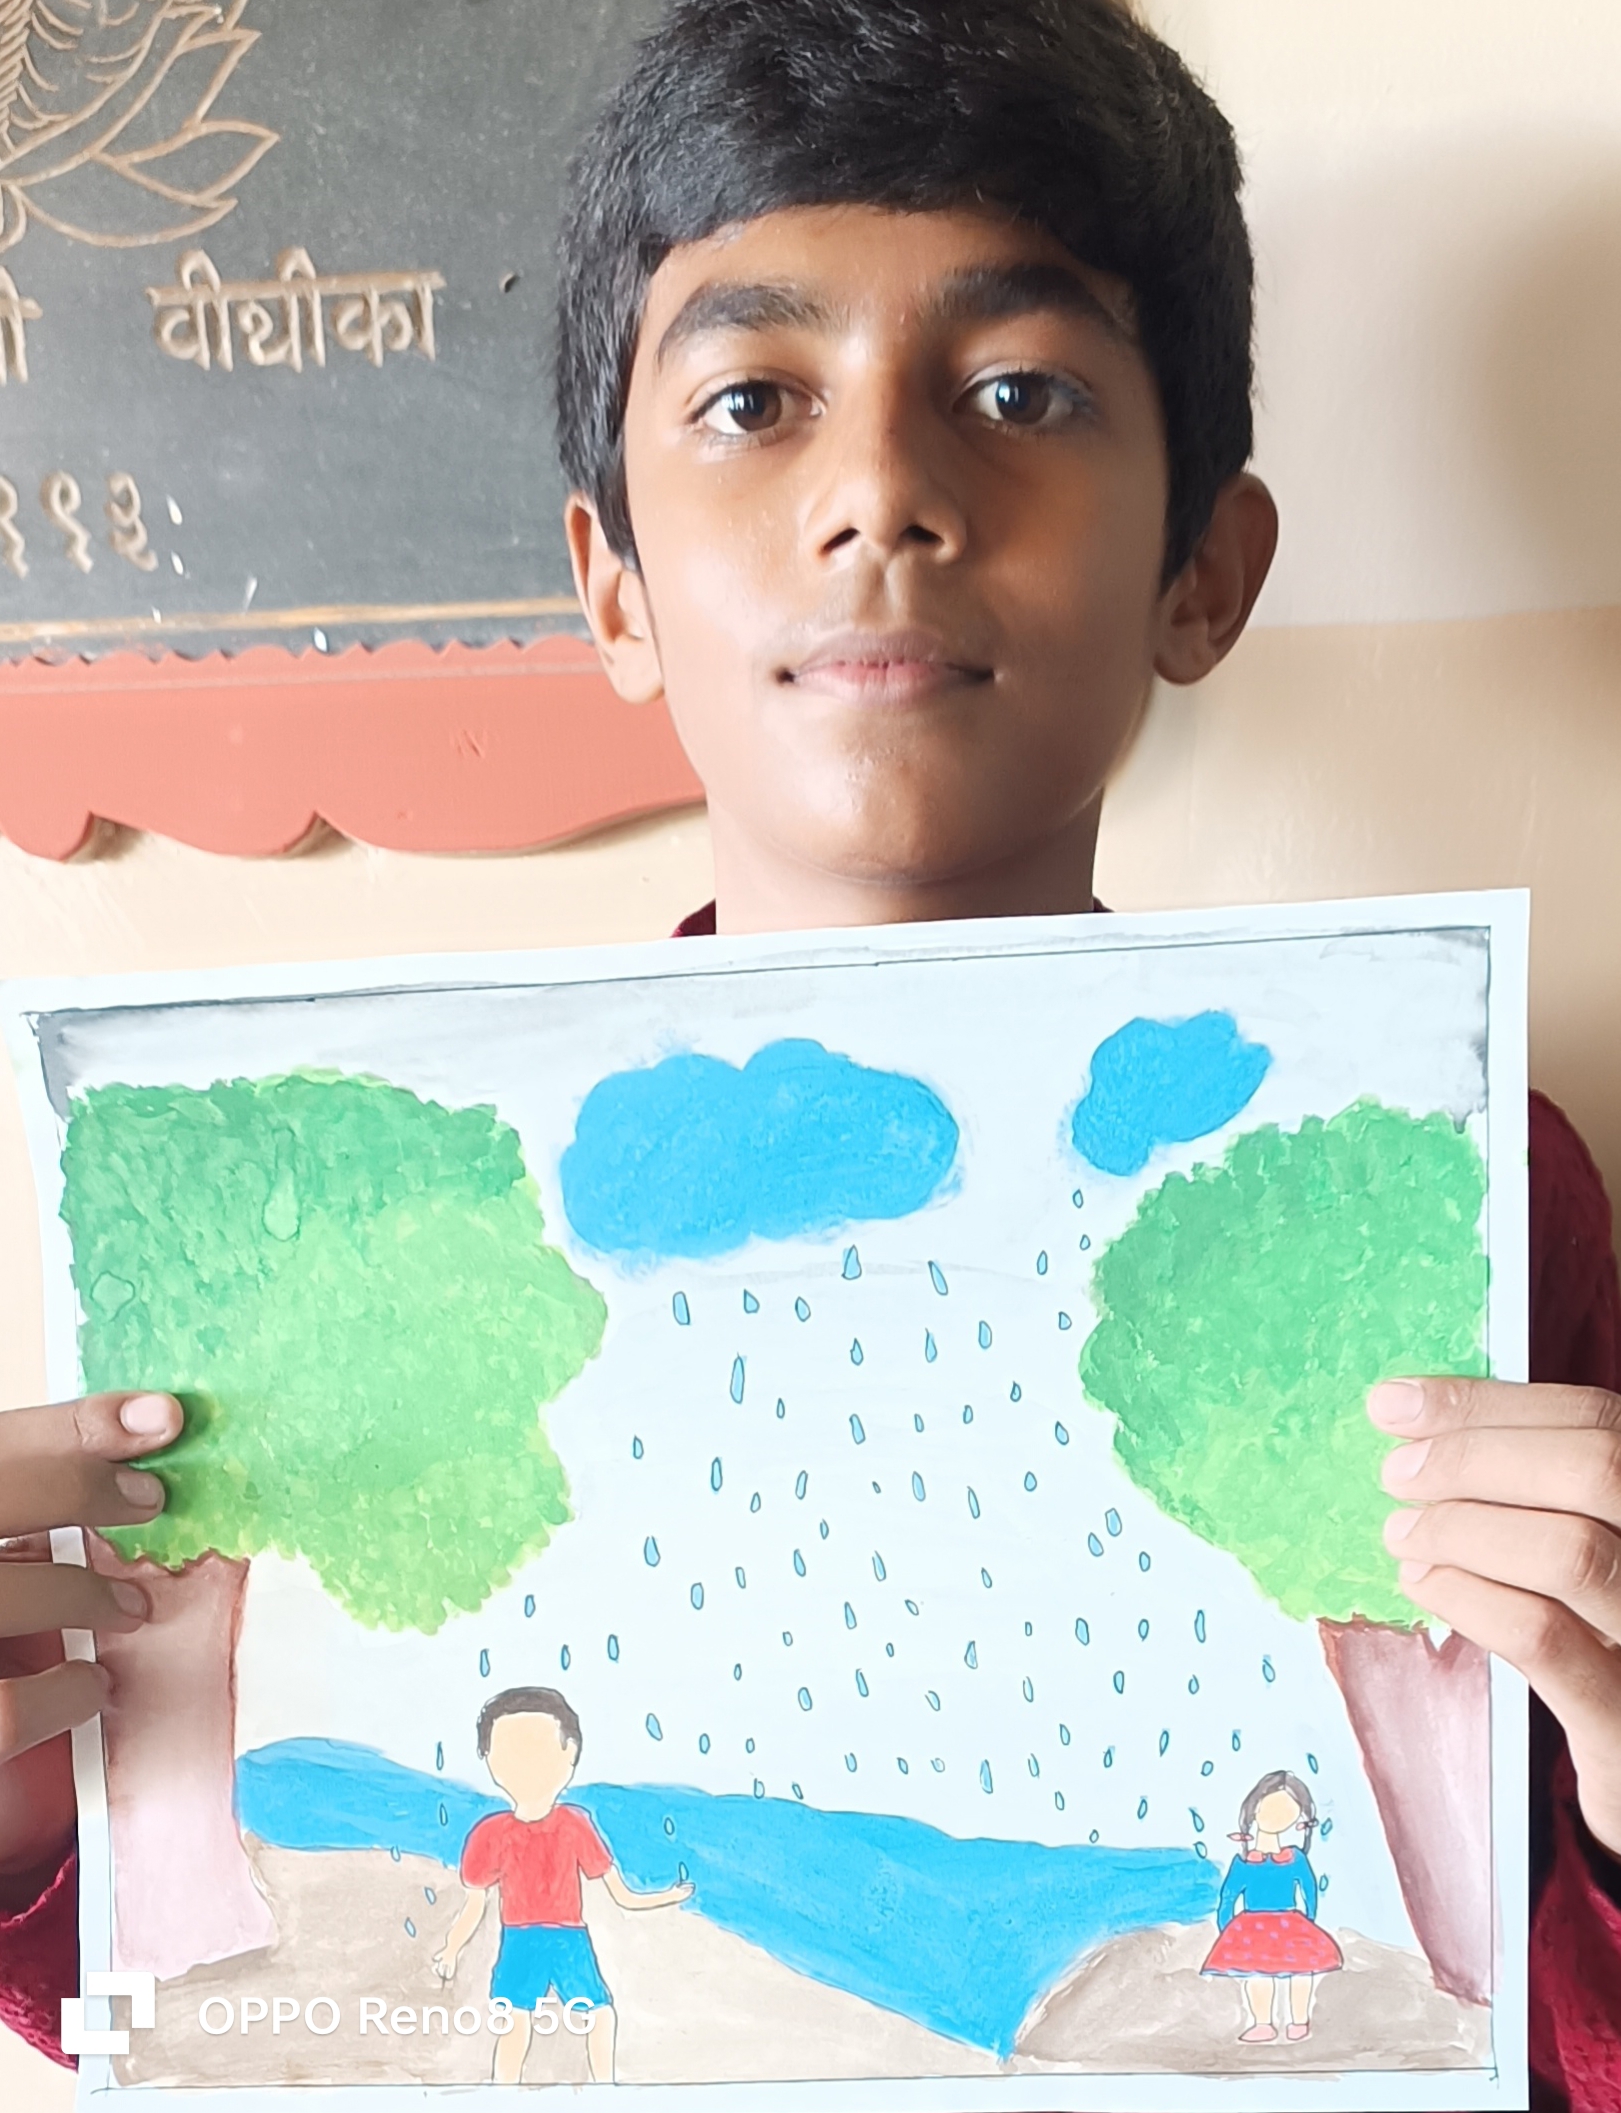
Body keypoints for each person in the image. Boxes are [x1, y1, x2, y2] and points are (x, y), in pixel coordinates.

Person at [1, 4, 1617, 2106]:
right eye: (755, 399)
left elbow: (1547, 2031)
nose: (880, 494)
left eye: (1019, 392)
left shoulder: (1473, 1184)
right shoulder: (312, 1224)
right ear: (612, 589)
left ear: (1201, 574)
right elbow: (217, 2032)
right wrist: (40, 1841)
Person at [431, 1686, 691, 2084]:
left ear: (570, 1754)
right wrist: (451, 1948)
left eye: (538, 1751)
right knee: (515, 2023)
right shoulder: (489, 1835)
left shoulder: (575, 1825)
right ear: (490, 1759)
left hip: (570, 1940)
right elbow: (474, 1906)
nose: (526, 1766)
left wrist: (666, 1897)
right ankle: (502, 2095)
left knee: (601, 2015)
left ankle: (606, 2091)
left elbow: (622, 1895)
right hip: (520, 1941)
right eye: (510, 1753)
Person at [1200, 1770, 1342, 2045]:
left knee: (1302, 1971)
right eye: (1270, 1808)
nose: (1278, 1817)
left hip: (1290, 1921)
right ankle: (1263, 2023)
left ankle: (1299, 2020)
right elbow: (1228, 1897)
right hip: (1252, 1925)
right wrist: (1227, 1929)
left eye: (1288, 1812)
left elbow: (1309, 1889)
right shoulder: (1244, 1862)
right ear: (1254, 1809)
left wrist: (1308, 1920)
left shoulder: (1295, 1857)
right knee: (1257, 1974)